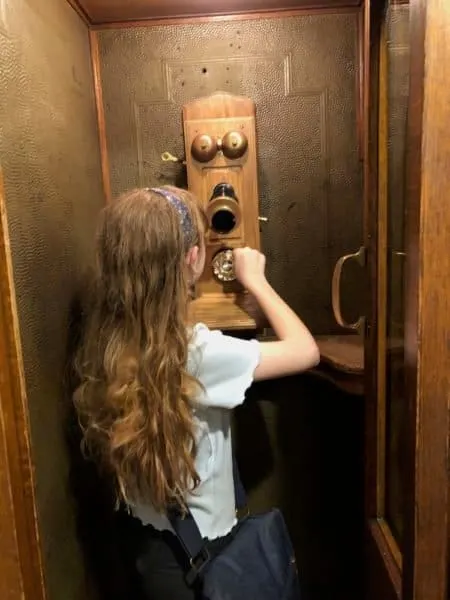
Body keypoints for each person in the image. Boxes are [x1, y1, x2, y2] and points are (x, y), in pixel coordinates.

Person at [73, 185, 320, 600]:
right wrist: (255, 280)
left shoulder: (107, 341)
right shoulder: (195, 353)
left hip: (154, 552)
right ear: (192, 258)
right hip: (206, 560)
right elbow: (305, 350)